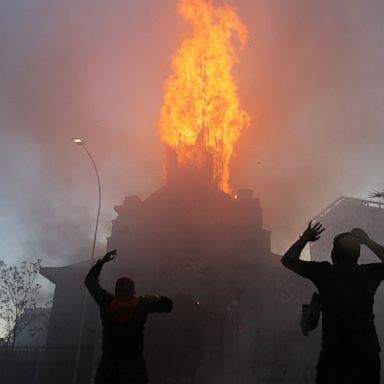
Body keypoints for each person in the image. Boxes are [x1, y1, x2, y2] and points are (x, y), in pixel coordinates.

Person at [281, 222, 384, 384]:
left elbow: (288, 260)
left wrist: (305, 239)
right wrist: (368, 241)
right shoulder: (369, 274)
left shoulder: (326, 273)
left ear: (334, 253)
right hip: (367, 355)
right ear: (356, 255)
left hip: (335, 355)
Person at [85, 249, 173, 384]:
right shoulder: (141, 304)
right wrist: (155, 297)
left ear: (116, 289)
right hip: (133, 367)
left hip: (109, 366)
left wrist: (102, 262)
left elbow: (90, 281)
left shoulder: (107, 302)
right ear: (132, 290)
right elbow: (168, 305)